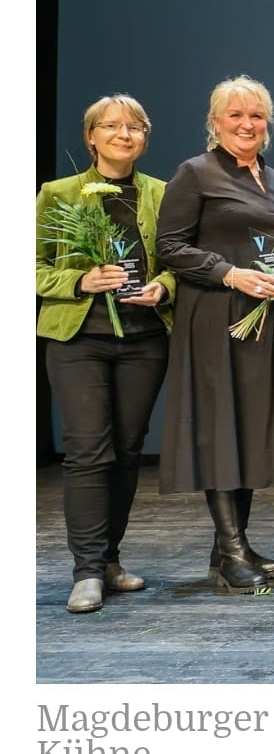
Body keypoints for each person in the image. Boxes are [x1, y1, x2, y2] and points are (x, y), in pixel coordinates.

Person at [156, 75, 274, 593]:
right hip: (217, 317)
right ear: (215, 122)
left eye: (256, 115)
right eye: (236, 115)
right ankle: (233, 550)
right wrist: (229, 273)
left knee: (248, 428)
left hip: (270, 319)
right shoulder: (195, 173)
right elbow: (169, 247)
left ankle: (228, 550)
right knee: (222, 425)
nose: (247, 124)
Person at [37, 94, 175, 613]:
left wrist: (163, 286)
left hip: (143, 339)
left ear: (145, 137)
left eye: (134, 126)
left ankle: (110, 559)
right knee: (88, 451)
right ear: (90, 136)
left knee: (127, 451)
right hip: (79, 340)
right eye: (112, 126)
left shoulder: (162, 193)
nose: (124, 134)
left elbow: (178, 260)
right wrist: (79, 281)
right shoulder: (59, 193)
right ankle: (87, 572)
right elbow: (30, 266)